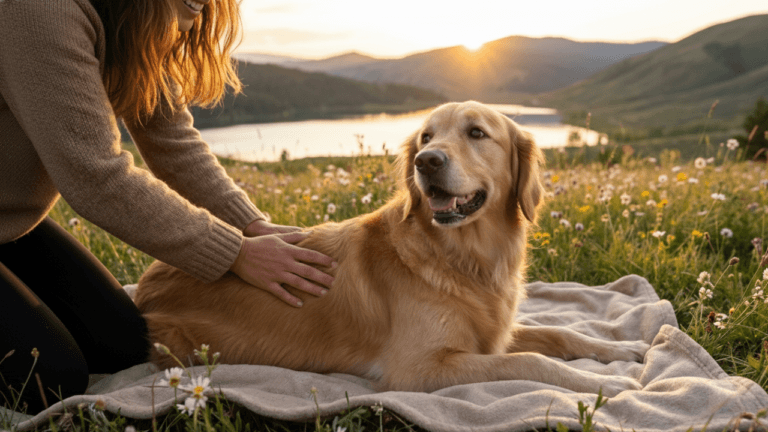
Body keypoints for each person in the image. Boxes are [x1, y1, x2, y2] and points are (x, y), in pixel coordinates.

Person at [0, 0, 335, 414]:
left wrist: (251, 226)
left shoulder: (129, 22)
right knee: (46, 379)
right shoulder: (37, 11)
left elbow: (174, 145)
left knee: (122, 345)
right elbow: (98, 178)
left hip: (10, 226)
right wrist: (236, 253)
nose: (205, 6)